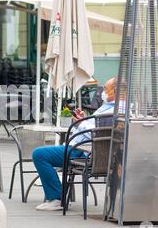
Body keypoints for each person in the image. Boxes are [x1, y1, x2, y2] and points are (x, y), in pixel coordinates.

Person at [32, 77, 117, 211]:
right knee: (42, 153)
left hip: (82, 150)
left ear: (115, 91)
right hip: (85, 148)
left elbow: (96, 134)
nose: (103, 93)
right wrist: (82, 120)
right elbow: (97, 129)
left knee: (39, 154)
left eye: (106, 89)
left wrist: (81, 123)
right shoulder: (114, 108)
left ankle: (56, 198)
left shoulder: (111, 111)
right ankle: (57, 196)